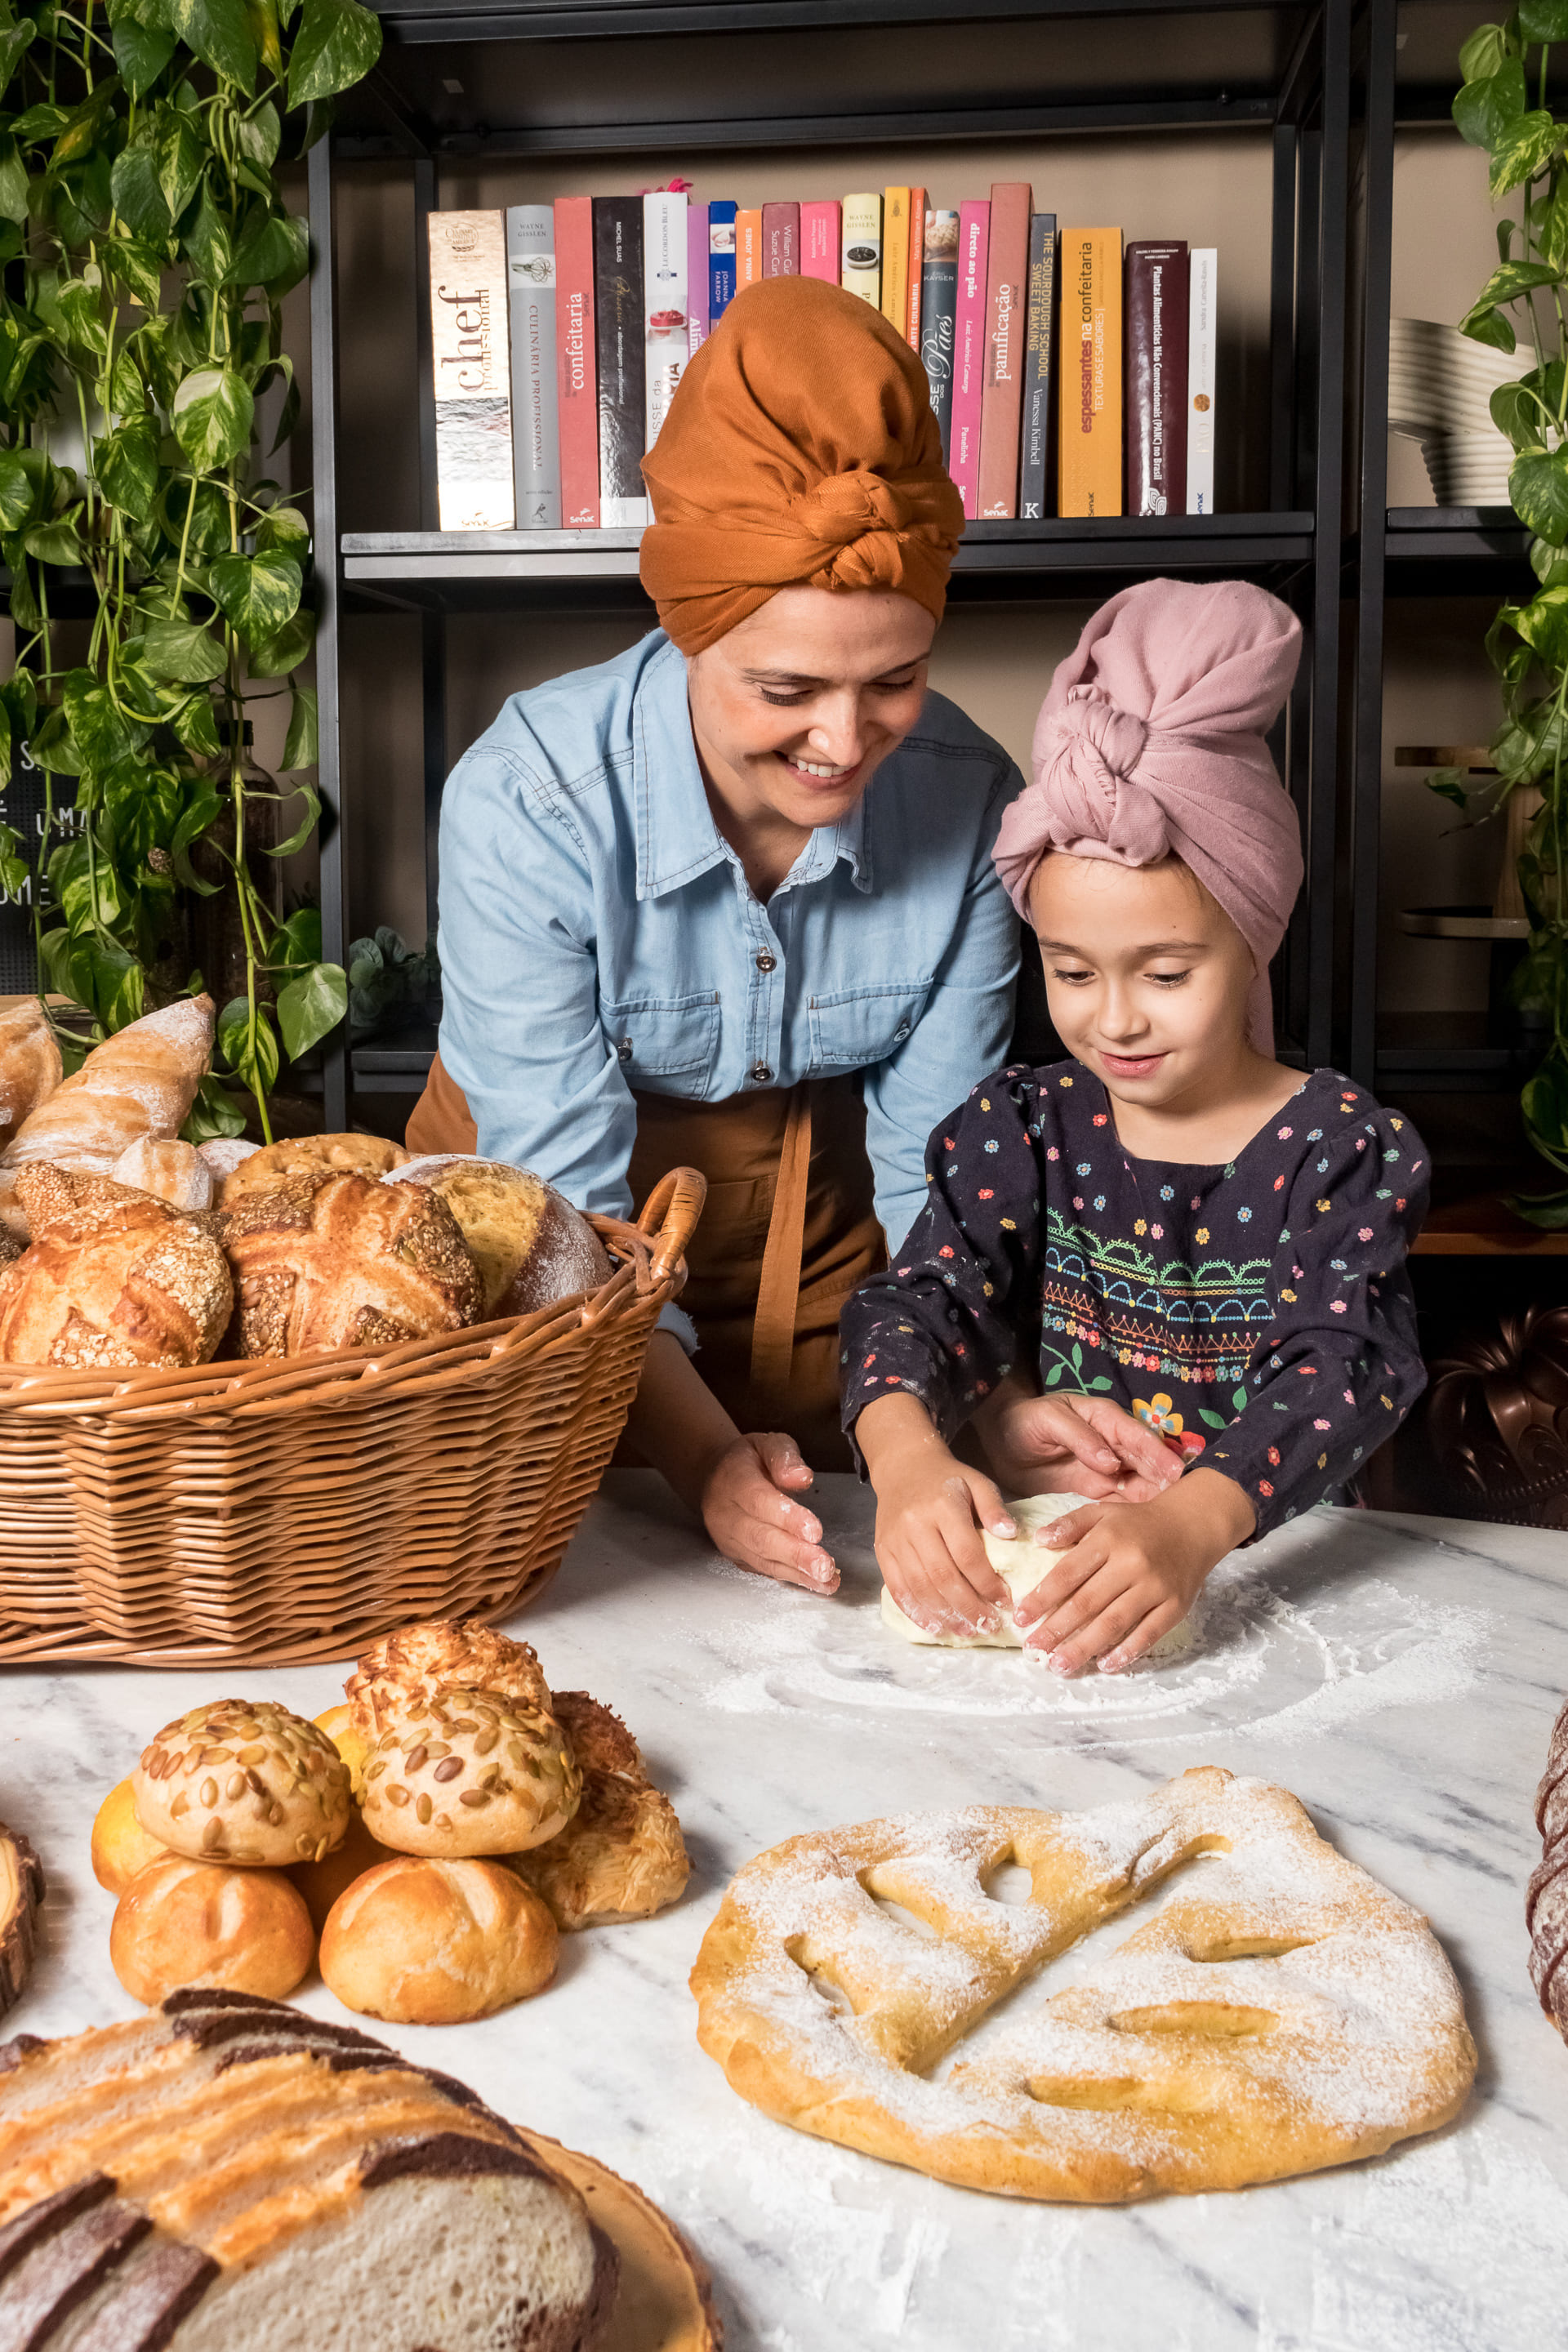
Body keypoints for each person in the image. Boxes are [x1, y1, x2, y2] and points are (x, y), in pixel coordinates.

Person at [408, 275, 1022, 1592]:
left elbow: (939, 1181)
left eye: (896, 681)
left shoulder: (973, 803)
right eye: (786, 688)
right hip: (538, 1283)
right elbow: (564, 1215)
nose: (844, 742)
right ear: (691, 637)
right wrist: (703, 1463)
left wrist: (935, 1422)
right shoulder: (528, 799)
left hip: (832, 1278)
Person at [841, 577, 1429, 1672]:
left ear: (1253, 940)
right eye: (1072, 971)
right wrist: (905, 1455)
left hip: (1277, 1576)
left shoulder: (1338, 1147)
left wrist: (1190, 1523)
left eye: (1165, 974)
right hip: (1066, 1573)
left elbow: (1348, 1366)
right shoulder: (1024, 1128)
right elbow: (919, 1302)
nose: (1113, 1020)